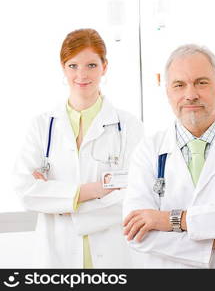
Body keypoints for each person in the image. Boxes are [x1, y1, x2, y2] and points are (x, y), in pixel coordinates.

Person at [122, 44, 215, 268]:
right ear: (168, 92)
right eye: (179, 85)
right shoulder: (149, 151)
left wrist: (168, 220)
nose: (190, 94)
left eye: (201, 83)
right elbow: (137, 233)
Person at [13, 28, 144, 268]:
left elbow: (133, 195)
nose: (82, 74)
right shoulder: (43, 126)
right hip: (56, 257)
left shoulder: (129, 126)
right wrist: (93, 190)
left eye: (91, 65)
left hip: (112, 256)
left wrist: (59, 202)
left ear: (104, 67)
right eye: (73, 66)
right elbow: (26, 191)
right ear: (63, 68)